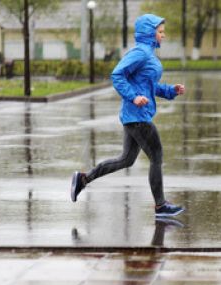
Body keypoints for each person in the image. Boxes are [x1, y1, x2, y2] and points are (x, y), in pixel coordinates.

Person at [71, 14, 185, 218]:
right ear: (150, 33)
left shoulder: (148, 54)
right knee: (156, 156)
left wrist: (171, 91)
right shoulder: (141, 53)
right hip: (137, 116)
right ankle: (160, 206)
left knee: (126, 160)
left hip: (136, 116)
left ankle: (83, 179)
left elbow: (149, 86)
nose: (163, 35)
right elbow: (117, 74)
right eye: (160, 32)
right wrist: (133, 98)